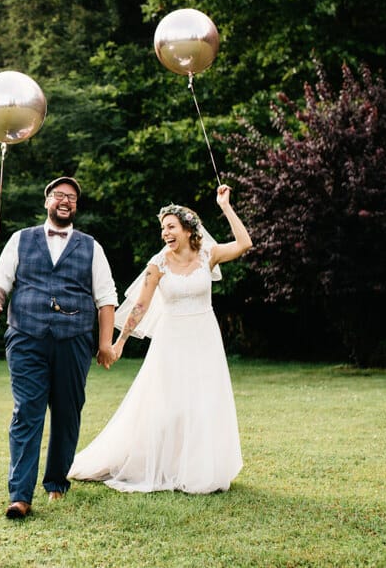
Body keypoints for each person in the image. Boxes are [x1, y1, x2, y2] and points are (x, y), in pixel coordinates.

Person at [67, 183, 252, 494]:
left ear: (188, 229)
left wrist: (225, 206)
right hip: (172, 340)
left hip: (205, 337)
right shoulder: (158, 263)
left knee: (204, 402)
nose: (165, 233)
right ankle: (161, 465)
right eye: (162, 228)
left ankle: (198, 469)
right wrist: (120, 341)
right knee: (170, 405)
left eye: (170, 226)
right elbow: (141, 305)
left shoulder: (208, 254)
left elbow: (245, 243)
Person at [0, 176, 119, 518]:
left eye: (72, 197)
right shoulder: (21, 239)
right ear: (47, 201)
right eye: (59, 195)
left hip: (74, 340)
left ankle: (57, 482)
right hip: (26, 337)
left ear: (76, 206)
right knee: (26, 412)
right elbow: (0, 281)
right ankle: (20, 496)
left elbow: (106, 300)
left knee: (66, 413)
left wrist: (105, 343)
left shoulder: (91, 246)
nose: (65, 201)